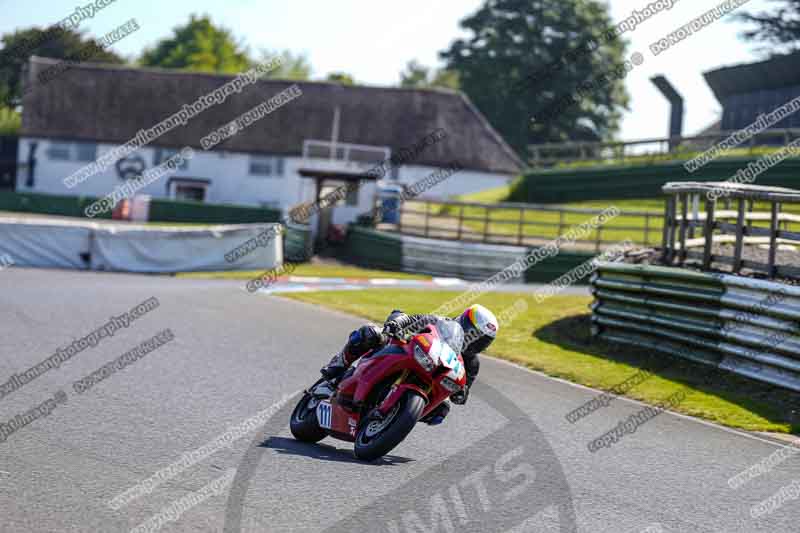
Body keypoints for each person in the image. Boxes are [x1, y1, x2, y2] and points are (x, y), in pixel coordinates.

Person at [321, 304, 499, 425]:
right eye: (473, 334)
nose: (474, 342)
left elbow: (462, 393)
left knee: (442, 410)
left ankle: (398, 416)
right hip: (399, 352)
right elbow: (412, 319)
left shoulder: (471, 364)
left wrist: (461, 393)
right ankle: (339, 364)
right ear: (463, 322)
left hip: (429, 380)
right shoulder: (440, 322)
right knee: (370, 333)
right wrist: (395, 325)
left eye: (482, 341)